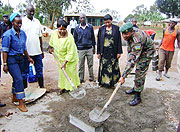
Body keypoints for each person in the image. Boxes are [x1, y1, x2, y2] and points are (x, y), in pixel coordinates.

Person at [2, 13, 34, 112]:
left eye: (20, 23)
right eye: (17, 23)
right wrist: (5, 64)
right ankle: (21, 103)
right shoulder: (8, 35)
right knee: (19, 79)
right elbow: (5, 50)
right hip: (12, 60)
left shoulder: (23, 33)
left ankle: (15, 96)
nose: (19, 25)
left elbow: (24, 48)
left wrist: (28, 58)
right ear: (12, 23)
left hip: (21, 59)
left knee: (19, 77)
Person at [119, 22, 155, 106]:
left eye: (126, 34)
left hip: (147, 52)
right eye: (123, 34)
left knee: (140, 72)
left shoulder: (137, 40)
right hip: (140, 50)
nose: (124, 36)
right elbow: (131, 51)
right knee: (135, 68)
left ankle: (138, 96)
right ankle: (135, 88)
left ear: (131, 32)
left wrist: (123, 76)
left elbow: (133, 59)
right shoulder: (130, 34)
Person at [49, 19, 80, 94]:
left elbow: (70, 52)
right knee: (62, 73)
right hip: (59, 58)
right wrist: (50, 48)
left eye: (64, 29)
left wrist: (65, 62)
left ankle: (72, 87)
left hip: (70, 59)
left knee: (71, 73)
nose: (62, 31)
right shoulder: (54, 34)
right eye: (60, 29)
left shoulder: (70, 38)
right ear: (57, 28)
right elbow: (51, 43)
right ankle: (62, 87)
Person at [21, 4, 44, 88]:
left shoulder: (37, 21)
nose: (31, 13)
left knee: (39, 71)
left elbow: (40, 37)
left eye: (33, 11)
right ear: (26, 11)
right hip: (26, 53)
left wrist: (41, 51)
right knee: (24, 72)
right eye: (30, 11)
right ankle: (25, 91)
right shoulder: (22, 22)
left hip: (37, 52)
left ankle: (41, 88)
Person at [97, 14, 123, 88]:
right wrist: (98, 52)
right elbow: (99, 41)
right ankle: (103, 82)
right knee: (104, 67)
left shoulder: (116, 28)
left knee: (113, 67)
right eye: (105, 23)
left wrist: (119, 52)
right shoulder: (101, 29)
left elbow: (119, 41)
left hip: (113, 51)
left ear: (111, 21)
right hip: (104, 51)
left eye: (108, 22)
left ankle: (112, 83)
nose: (107, 24)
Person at [73, 13, 96, 83]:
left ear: (86, 18)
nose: (82, 19)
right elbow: (75, 39)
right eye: (81, 18)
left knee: (90, 64)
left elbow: (93, 37)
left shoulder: (90, 27)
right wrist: (76, 49)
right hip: (80, 49)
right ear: (79, 19)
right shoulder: (76, 28)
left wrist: (94, 48)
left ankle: (91, 77)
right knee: (81, 65)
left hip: (89, 49)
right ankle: (80, 78)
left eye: (83, 18)